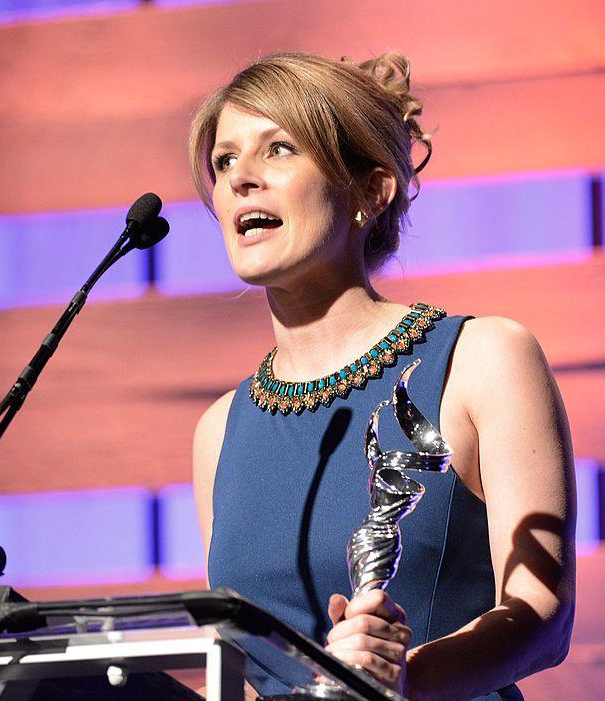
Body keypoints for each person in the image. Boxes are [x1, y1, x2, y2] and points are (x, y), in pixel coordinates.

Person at [189, 52, 576, 701]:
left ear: (371, 190)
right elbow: (246, 673)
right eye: (224, 161)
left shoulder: (484, 357)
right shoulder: (219, 430)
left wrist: (399, 678)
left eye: (277, 149)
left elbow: (543, 617)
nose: (241, 179)